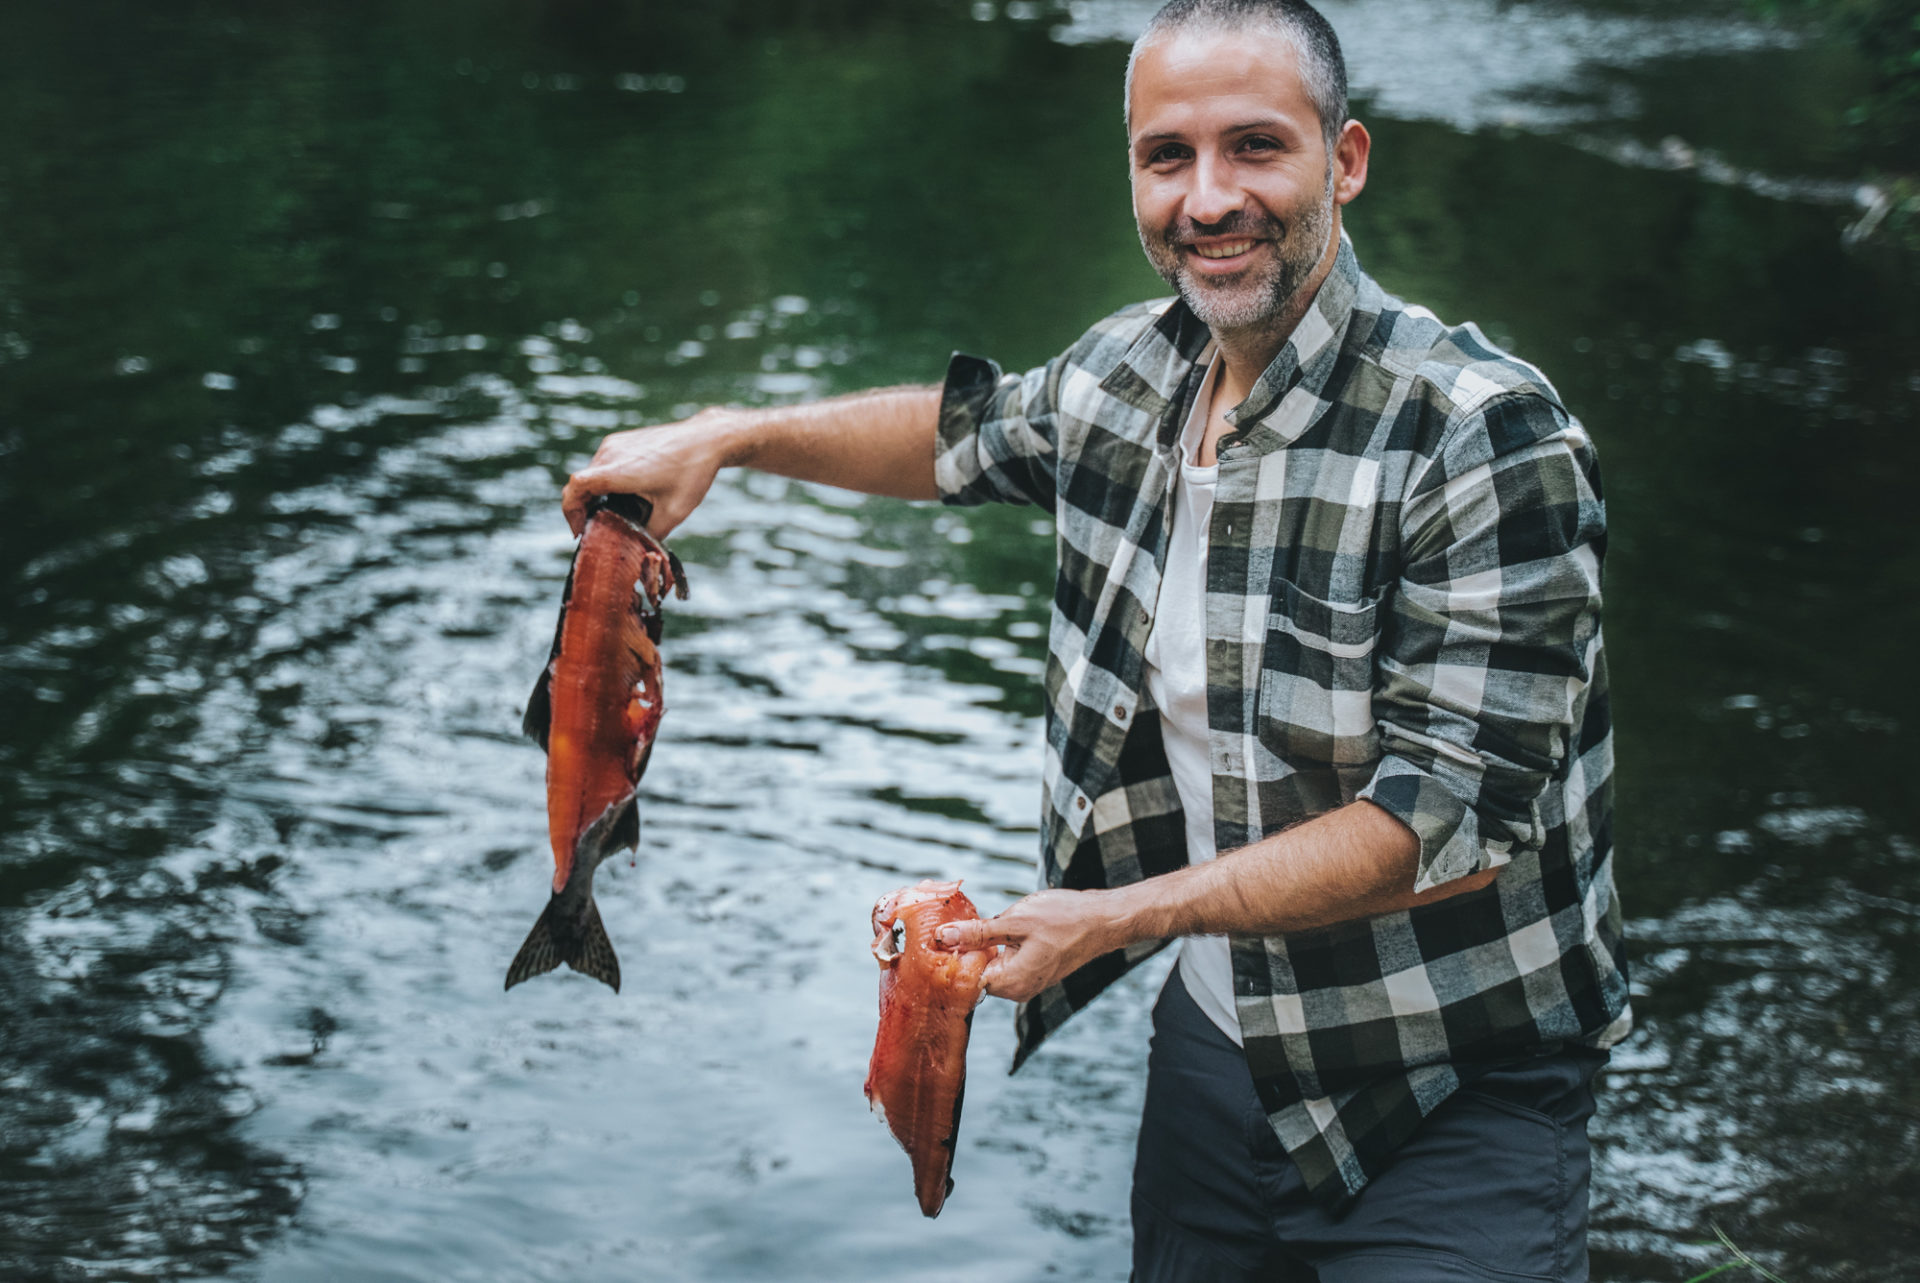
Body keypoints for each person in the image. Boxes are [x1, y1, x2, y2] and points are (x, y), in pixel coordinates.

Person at [563, 0, 1629, 1277]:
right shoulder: (1129, 375)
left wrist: (1120, 916)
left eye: (1255, 148)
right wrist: (728, 436)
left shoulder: (1482, 436)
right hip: (1215, 1072)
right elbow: (956, 437)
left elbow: (1448, 819)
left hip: (1453, 1087)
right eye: (1168, 155)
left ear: (1344, 161)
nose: (1209, 197)